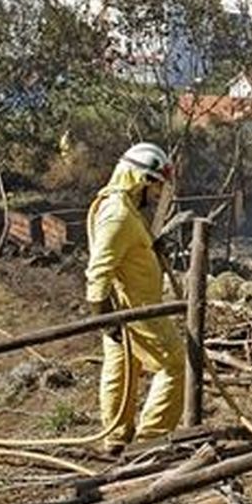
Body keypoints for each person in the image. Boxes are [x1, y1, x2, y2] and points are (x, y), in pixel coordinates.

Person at [85, 142, 185, 456]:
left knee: (122, 368)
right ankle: (150, 443)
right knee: (175, 365)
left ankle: (116, 439)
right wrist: (104, 317)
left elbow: (128, 248)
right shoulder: (118, 214)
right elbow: (98, 272)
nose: (156, 194)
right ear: (140, 180)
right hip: (137, 309)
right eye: (155, 186)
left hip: (125, 307)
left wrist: (151, 246)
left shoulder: (121, 206)